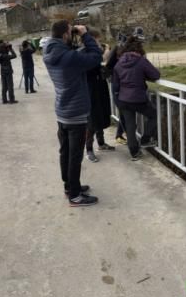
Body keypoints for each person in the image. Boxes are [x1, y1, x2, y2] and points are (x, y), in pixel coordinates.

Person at [42, 20, 103, 207]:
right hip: (76, 113)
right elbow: (96, 56)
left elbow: (76, 55)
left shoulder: (50, 52)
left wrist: (78, 40)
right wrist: (85, 34)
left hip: (63, 110)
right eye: (71, 32)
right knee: (75, 155)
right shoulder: (69, 57)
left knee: (65, 152)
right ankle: (75, 196)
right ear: (65, 35)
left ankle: (70, 186)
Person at [112, 36, 160, 161]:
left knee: (130, 125)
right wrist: (143, 75)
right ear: (139, 49)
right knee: (154, 115)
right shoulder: (141, 61)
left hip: (123, 99)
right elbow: (155, 75)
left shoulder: (119, 62)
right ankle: (145, 139)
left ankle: (134, 153)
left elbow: (116, 84)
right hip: (138, 98)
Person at [84, 30, 116, 162]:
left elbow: (100, 68)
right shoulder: (84, 52)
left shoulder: (94, 51)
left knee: (100, 115)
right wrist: (104, 57)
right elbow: (90, 66)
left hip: (99, 86)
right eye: (96, 39)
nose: (98, 42)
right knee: (92, 120)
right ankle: (89, 149)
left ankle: (101, 143)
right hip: (90, 89)